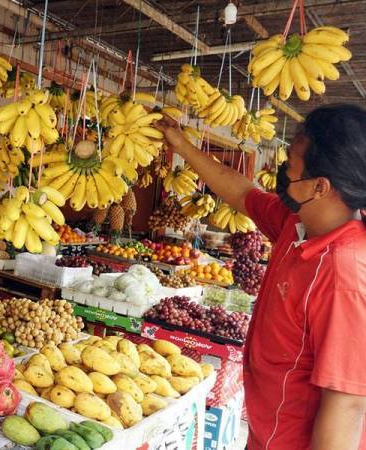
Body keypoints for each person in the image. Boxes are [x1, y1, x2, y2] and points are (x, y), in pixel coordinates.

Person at [157, 104, 366, 450]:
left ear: (319, 186)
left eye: (292, 166)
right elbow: (242, 194)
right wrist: (181, 145)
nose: (284, 171)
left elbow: (348, 403)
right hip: (267, 434)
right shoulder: (297, 223)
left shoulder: (345, 274)